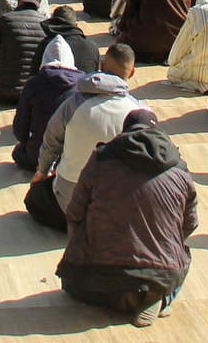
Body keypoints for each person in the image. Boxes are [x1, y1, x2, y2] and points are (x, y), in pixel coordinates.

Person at [57, 109, 197, 327]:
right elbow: (190, 223)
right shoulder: (179, 169)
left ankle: (121, 297)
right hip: (157, 276)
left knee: (72, 284)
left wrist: (77, 252)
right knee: (183, 256)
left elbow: (75, 212)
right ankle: (158, 297)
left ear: (124, 132)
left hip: (95, 277)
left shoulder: (100, 159)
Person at [33, 45, 141, 230]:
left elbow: (51, 142)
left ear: (101, 65)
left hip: (70, 202)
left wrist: (42, 171)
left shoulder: (73, 104)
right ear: (131, 73)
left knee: (35, 197)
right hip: (119, 205)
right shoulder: (140, 112)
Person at [14, 36, 86, 171]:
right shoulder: (84, 85)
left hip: (38, 155)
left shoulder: (34, 84)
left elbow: (20, 129)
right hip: (72, 159)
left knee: (18, 152)